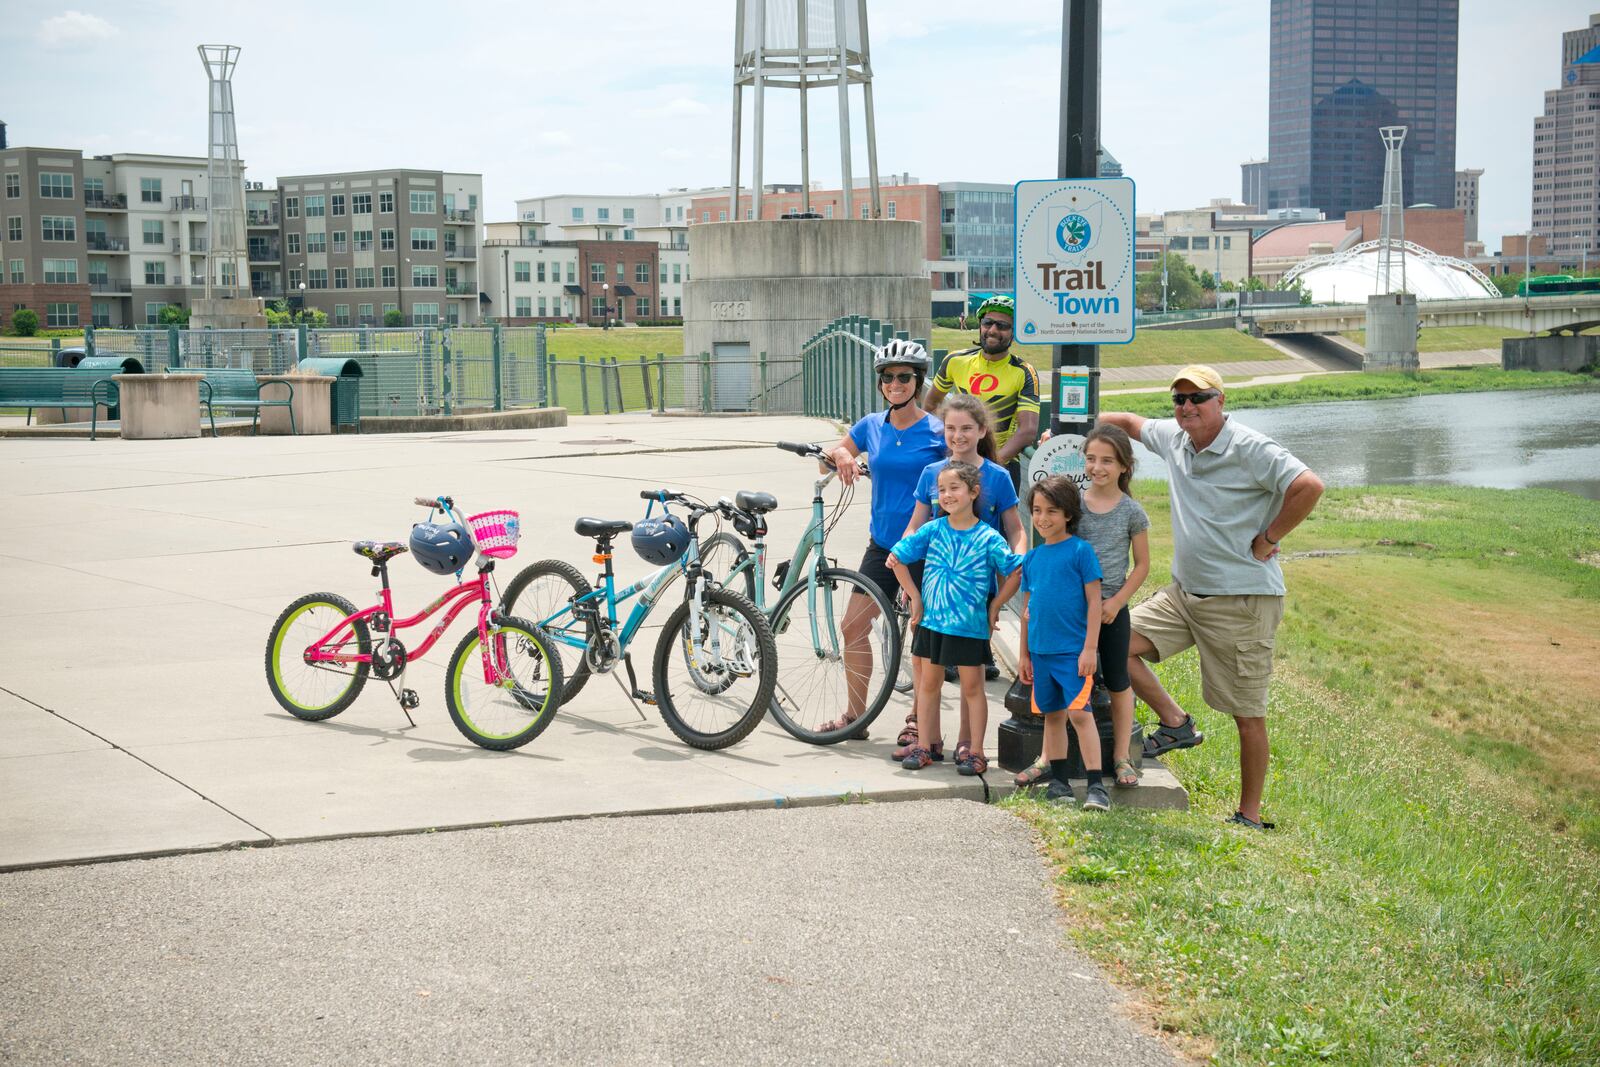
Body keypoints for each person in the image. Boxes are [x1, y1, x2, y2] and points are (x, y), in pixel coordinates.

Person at [1098, 365, 1324, 829]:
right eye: (1179, 399)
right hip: (1184, 596)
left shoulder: (1250, 447)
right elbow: (1126, 423)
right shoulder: (1175, 438)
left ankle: (1249, 815)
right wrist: (1063, 428)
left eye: (1197, 398)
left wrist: (1271, 535)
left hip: (1241, 600)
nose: (1186, 407)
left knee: (1247, 714)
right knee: (1112, 645)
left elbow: (1309, 485)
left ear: (1220, 401)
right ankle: (1176, 723)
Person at [824, 339, 946, 736]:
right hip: (883, 544)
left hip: (927, 545)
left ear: (919, 381)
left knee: (921, 635)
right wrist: (843, 455)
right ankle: (855, 718)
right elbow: (837, 448)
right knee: (853, 627)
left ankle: (918, 723)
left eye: (904, 377)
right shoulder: (870, 425)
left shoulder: (936, 431)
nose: (895, 383)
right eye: (888, 377)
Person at [897, 394, 1024, 758]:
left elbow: (1015, 529)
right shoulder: (931, 474)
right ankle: (928, 740)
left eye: (966, 428)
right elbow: (914, 526)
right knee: (926, 666)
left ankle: (969, 743)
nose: (958, 436)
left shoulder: (997, 477)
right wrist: (908, 574)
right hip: (936, 578)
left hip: (976, 582)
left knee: (971, 672)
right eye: (951, 428)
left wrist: (1018, 561)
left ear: (981, 430)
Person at [1015, 475, 1109, 810]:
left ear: (1068, 514)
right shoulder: (1032, 559)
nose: (1042, 519)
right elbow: (1028, 609)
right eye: (1037, 511)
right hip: (1040, 653)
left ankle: (1097, 787)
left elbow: (1095, 602)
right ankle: (1059, 782)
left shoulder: (1081, 552)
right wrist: (1024, 655)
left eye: (1051, 511)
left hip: (1072, 652)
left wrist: (1089, 648)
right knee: (1052, 716)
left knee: (1080, 714)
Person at [926, 294, 1040, 489]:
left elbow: (1027, 430)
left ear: (1014, 333)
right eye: (988, 323)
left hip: (1001, 465)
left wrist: (990, 465)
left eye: (1002, 326)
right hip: (957, 463)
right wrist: (946, 444)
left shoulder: (1024, 372)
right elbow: (930, 405)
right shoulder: (955, 361)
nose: (993, 330)